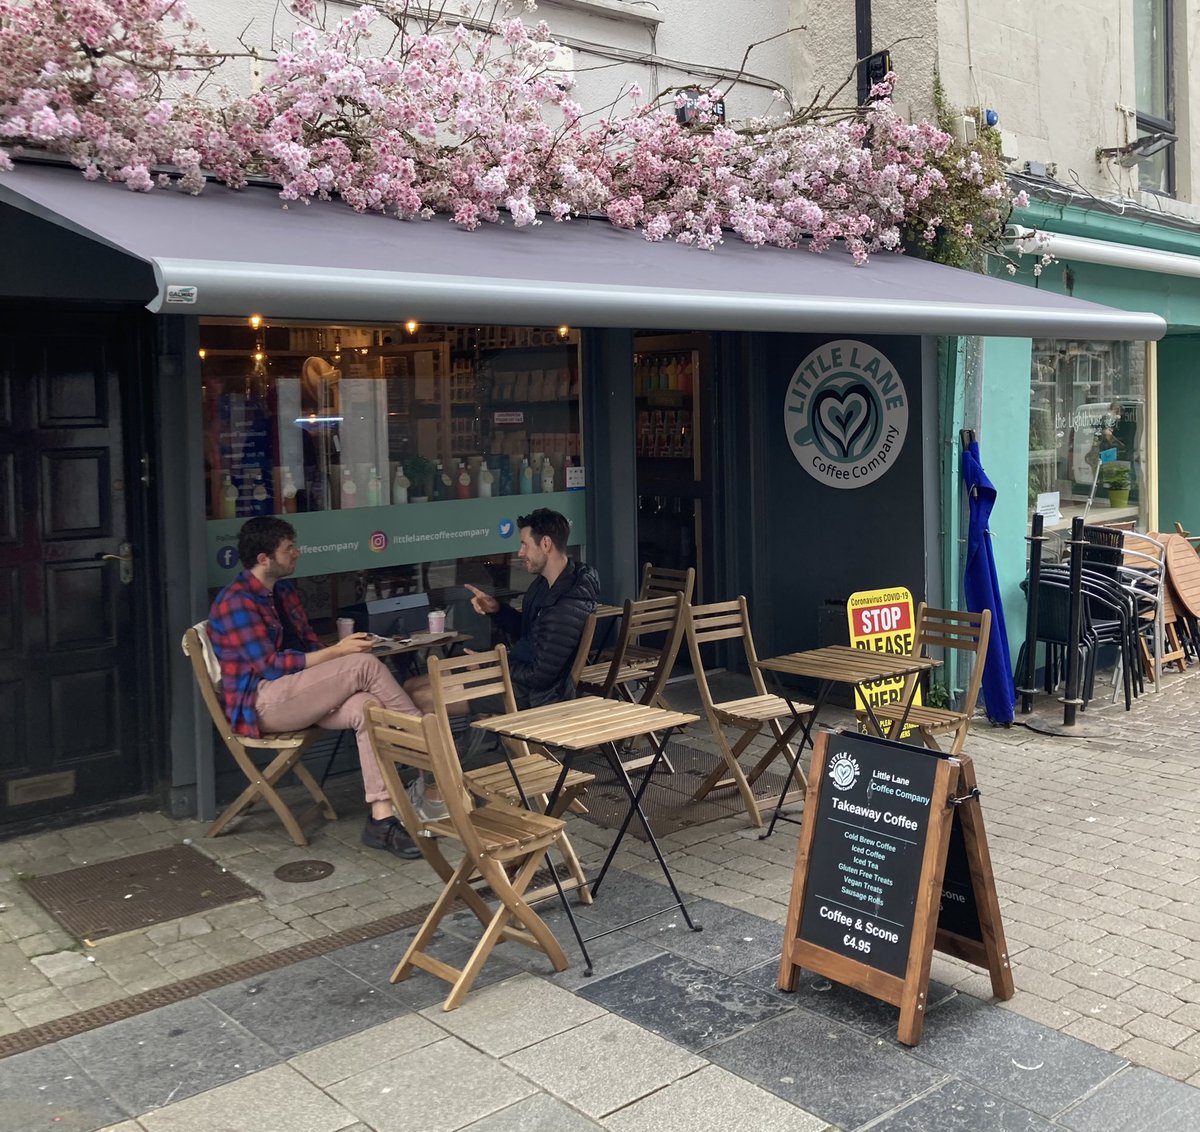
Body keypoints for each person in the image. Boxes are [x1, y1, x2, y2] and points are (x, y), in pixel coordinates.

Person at [207, 517, 423, 859]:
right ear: (264, 559)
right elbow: (270, 666)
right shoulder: (236, 602)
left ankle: (381, 820)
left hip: (298, 694)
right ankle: (429, 745)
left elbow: (307, 645)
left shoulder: (283, 591)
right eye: (288, 549)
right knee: (363, 666)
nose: (297, 553)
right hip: (262, 703)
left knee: (368, 706)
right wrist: (339, 653)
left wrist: (340, 656)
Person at [405, 507, 599, 716]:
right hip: (513, 673)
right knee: (410, 686)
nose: (520, 553)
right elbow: (530, 632)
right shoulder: (547, 586)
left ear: (545, 544)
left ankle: (443, 749)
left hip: (532, 693)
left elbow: (539, 676)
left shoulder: (566, 604)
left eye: (524, 544)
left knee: (422, 698)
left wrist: (491, 663)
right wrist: (497, 610)